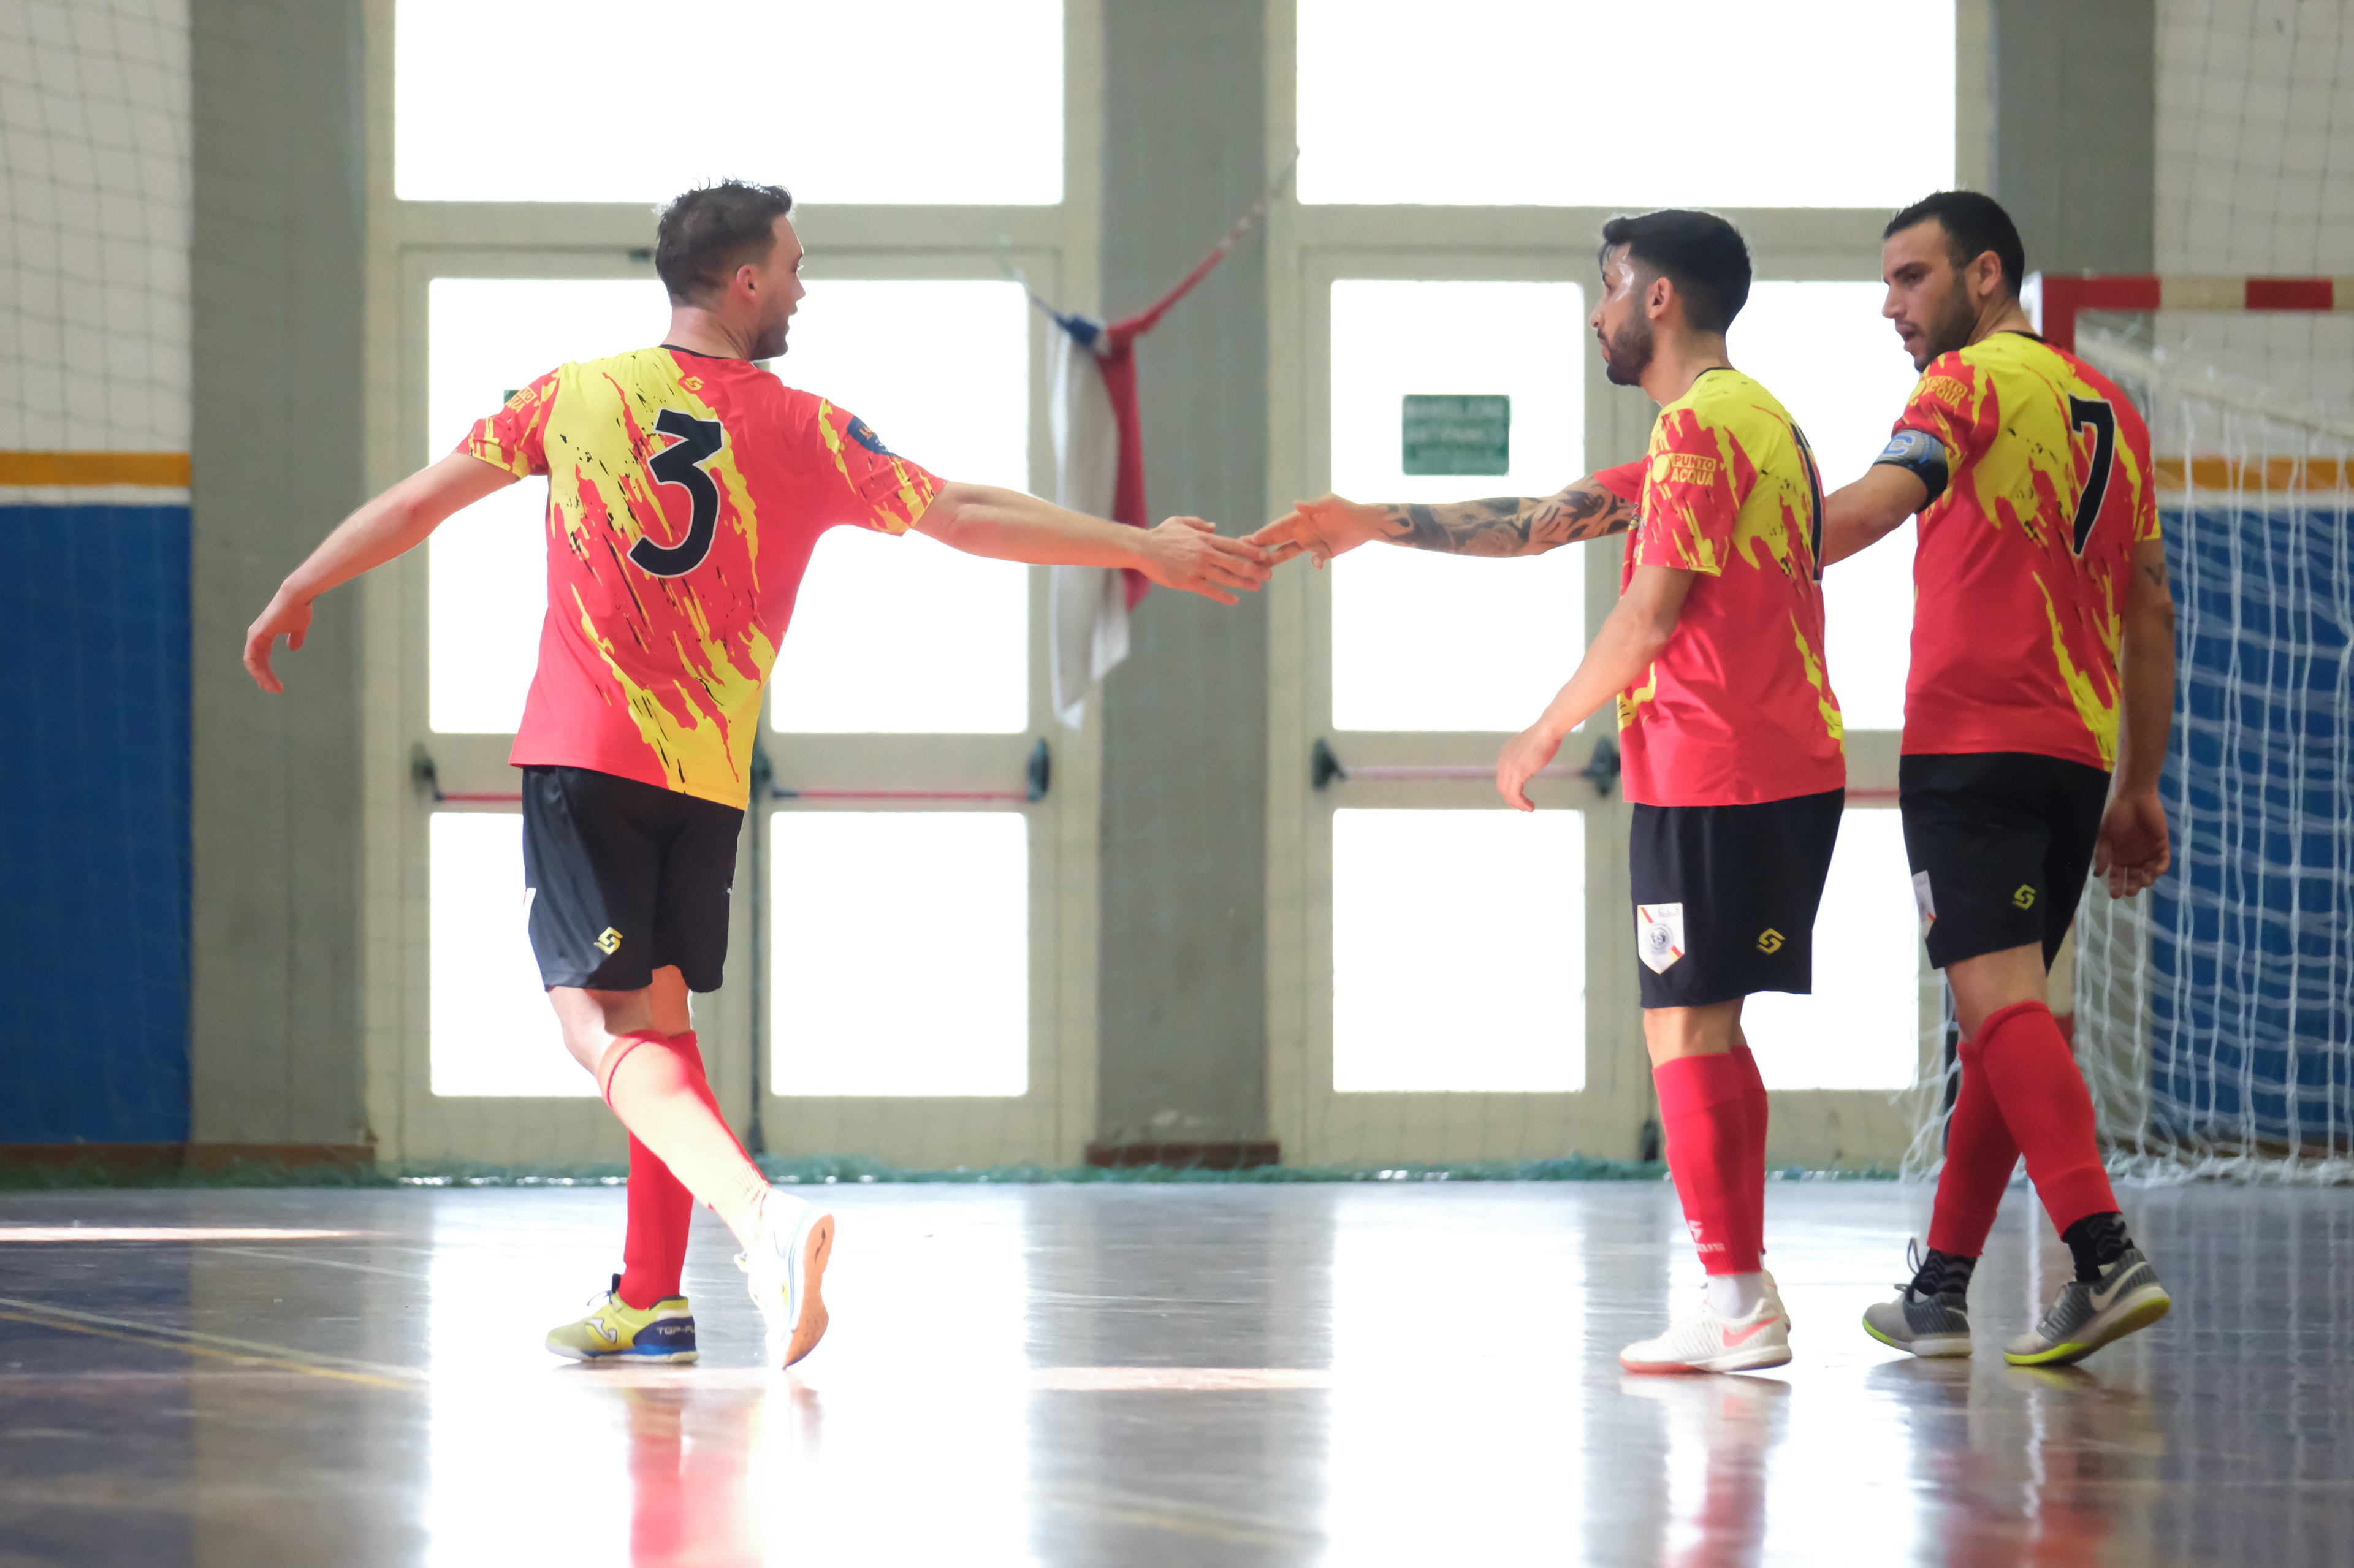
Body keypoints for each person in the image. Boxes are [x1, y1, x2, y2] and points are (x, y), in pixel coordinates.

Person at [243, 180, 1271, 1369]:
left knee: (593, 1027)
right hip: (702, 782)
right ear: (743, 284)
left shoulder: (572, 396)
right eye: (792, 267)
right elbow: (966, 512)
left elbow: (421, 503)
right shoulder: (801, 429)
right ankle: (650, 1296)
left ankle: (760, 1219)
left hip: (587, 757)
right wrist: (1139, 546)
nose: (801, 289)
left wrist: (301, 583)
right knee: (659, 1024)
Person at [1255, 210, 1845, 1374]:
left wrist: (1544, 727)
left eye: (1610, 285)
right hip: (1777, 766)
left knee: (1683, 1028)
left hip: (1717, 768)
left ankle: (1737, 1300)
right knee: (1704, 1025)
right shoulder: (1758, 423)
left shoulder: (1700, 427)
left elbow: (1651, 613)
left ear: (1659, 297)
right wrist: (1372, 521)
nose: (1597, 311)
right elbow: (1539, 522)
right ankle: (1741, 1287)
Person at [1826, 191, 2176, 1367]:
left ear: (1986, 275)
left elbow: (1876, 508)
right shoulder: (2113, 411)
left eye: (1911, 277)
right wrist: (2139, 785)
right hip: (2072, 756)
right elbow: (2152, 612)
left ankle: (2102, 1254)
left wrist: (1746, 537)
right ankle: (1942, 1288)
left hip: (1970, 749)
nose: (1892, 305)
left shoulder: (1963, 387)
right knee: (1999, 1020)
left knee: (2001, 1010)